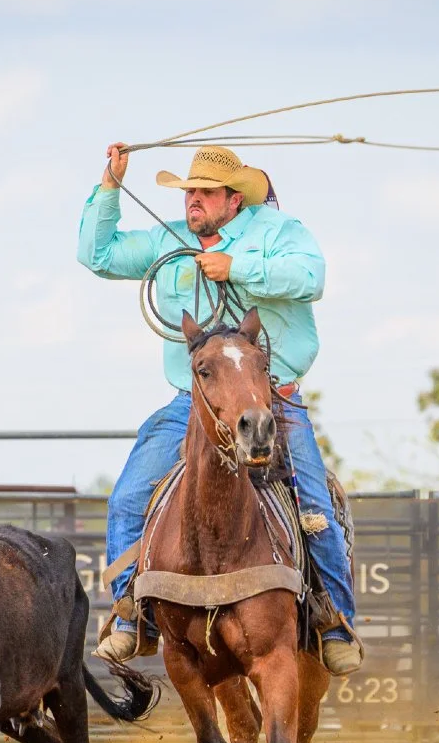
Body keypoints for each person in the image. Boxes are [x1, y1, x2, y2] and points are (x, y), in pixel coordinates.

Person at [76, 143, 360, 676]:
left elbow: (311, 276)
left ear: (234, 199)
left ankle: (334, 619)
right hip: (196, 403)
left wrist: (239, 267)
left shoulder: (276, 232)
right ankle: (130, 613)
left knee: (315, 507)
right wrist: (110, 188)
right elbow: (101, 256)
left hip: (272, 397)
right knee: (129, 497)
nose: (193, 202)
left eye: (205, 193)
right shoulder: (169, 241)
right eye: (189, 193)